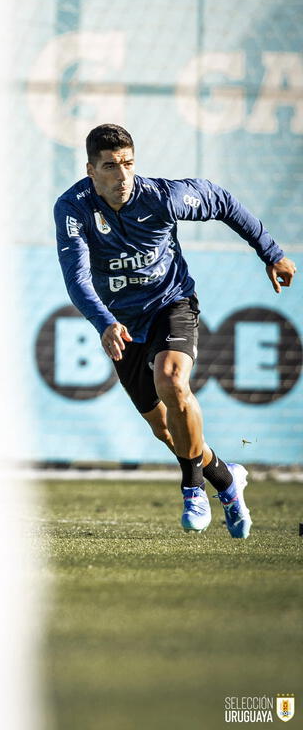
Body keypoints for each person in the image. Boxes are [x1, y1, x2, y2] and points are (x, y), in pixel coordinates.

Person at [53, 124, 296, 538]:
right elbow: (76, 278)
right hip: (123, 324)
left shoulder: (162, 196)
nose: (122, 175)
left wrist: (270, 253)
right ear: (91, 170)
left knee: (171, 380)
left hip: (172, 305)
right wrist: (105, 322)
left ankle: (192, 487)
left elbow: (222, 201)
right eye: (110, 166)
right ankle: (225, 478)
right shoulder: (73, 207)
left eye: (128, 163)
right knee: (165, 429)